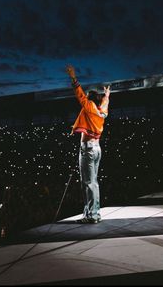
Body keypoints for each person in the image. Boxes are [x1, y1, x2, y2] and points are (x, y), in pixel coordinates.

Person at [66, 64, 110, 224]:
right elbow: (105, 102)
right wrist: (107, 95)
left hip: (88, 149)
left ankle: (92, 215)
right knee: (92, 182)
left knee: (89, 183)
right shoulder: (102, 111)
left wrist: (73, 78)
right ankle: (91, 213)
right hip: (97, 148)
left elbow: (80, 95)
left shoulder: (89, 107)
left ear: (90, 100)